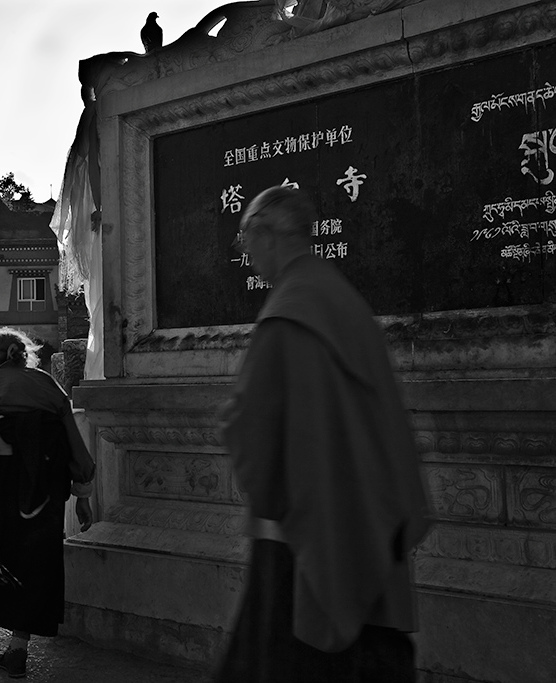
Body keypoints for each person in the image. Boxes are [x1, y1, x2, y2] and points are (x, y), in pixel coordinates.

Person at [215, 186, 431, 682]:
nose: (246, 253)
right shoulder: (343, 300)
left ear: (267, 234)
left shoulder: (287, 313)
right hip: (369, 519)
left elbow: (253, 431)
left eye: (245, 239)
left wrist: (232, 428)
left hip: (309, 537)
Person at [0, 327, 95, 679]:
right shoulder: (48, 385)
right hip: (45, 488)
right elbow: (72, 439)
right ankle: (17, 650)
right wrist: (83, 494)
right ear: (26, 356)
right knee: (35, 561)